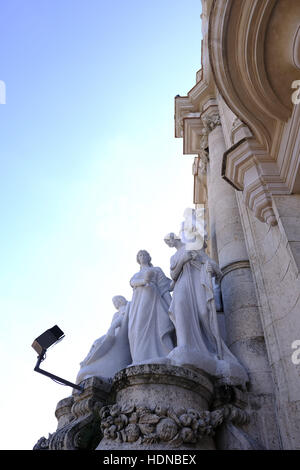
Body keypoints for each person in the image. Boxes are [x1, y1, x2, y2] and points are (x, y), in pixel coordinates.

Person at [164, 233, 248, 389]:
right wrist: (184, 259)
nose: (171, 242)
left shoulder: (193, 247)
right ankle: (184, 344)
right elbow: (173, 275)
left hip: (199, 283)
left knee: (204, 313)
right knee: (181, 308)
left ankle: (213, 349)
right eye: (168, 241)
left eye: (171, 238)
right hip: (182, 284)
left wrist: (212, 268)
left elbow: (214, 266)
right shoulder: (175, 256)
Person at [128, 250, 176, 365]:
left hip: (153, 301)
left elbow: (164, 288)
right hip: (138, 304)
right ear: (137, 259)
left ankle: (163, 354)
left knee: (157, 326)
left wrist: (172, 306)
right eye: (139, 255)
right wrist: (144, 281)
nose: (142, 256)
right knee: (137, 329)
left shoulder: (156, 270)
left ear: (149, 257)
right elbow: (132, 282)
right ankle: (139, 360)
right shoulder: (135, 275)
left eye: (144, 254)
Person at [75, 295, 132, 384]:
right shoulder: (116, 314)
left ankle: (91, 365)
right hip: (113, 333)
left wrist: (113, 326)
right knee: (96, 342)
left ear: (122, 299)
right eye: (115, 302)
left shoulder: (128, 306)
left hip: (121, 332)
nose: (116, 303)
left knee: (102, 342)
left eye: (117, 301)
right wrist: (111, 329)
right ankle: (87, 361)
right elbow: (112, 326)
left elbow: (123, 319)